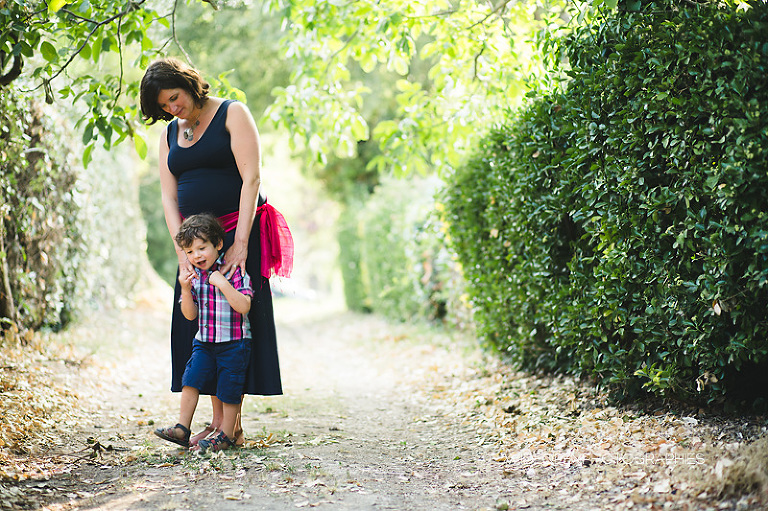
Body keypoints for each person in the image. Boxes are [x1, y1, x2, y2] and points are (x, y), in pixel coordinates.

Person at [139, 57, 283, 447]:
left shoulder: (233, 113)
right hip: (195, 246)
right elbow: (168, 198)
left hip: (236, 235)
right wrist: (182, 251)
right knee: (202, 329)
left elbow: (251, 176)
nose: (172, 108)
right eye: (164, 106)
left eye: (174, 97)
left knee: (233, 330)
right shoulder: (170, 133)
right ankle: (218, 424)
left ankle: (229, 426)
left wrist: (240, 243)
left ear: (189, 84)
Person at [154, 214, 252, 453]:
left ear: (218, 244)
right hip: (205, 343)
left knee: (229, 390)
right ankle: (182, 427)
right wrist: (186, 290)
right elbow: (190, 315)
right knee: (190, 380)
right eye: (189, 251)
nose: (196, 255)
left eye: (201, 248)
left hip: (234, 343)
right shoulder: (193, 277)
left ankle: (227, 434)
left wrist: (223, 283)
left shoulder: (233, 271)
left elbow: (244, 306)